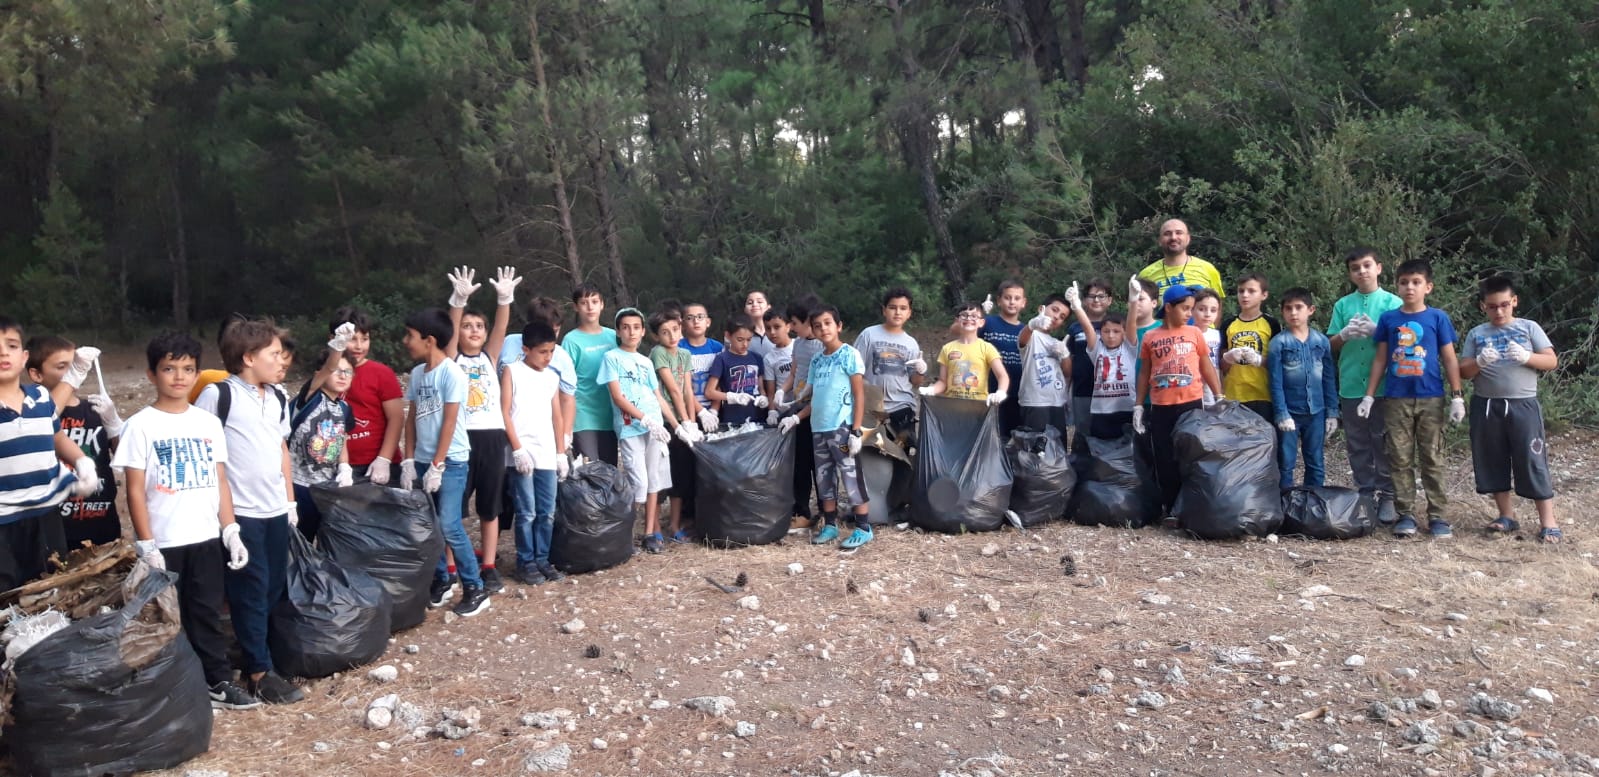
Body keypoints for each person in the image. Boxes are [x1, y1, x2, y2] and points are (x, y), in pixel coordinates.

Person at [113, 332, 260, 710]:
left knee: (207, 612)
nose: (179, 377)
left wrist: (230, 530)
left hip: (204, 536)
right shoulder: (141, 425)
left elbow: (220, 480)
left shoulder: (207, 424)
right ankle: (171, 688)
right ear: (152, 374)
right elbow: (134, 490)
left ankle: (218, 681)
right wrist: (146, 543)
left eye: (188, 369)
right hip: (164, 541)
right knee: (164, 619)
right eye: (169, 369)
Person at [192, 317, 303, 704]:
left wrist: (289, 500)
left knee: (274, 586)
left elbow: (280, 449)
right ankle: (257, 671)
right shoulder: (219, 395)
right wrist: (226, 522)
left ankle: (266, 656)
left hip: (274, 508)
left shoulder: (278, 398)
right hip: (242, 513)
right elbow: (209, 458)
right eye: (273, 354)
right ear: (248, 357)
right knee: (250, 591)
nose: (281, 360)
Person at [1358, 259, 1465, 539]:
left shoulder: (1437, 318)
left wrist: (1457, 396)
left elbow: (1450, 358)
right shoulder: (1390, 319)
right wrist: (1369, 395)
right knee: (1400, 458)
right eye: (1404, 282)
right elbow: (1381, 358)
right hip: (1396, 399)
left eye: (1416, 282)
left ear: (1428, 287)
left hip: (1430, 397)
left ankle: (1438, 517)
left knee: (1433, 458)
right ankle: (1405, 514)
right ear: (1397, 285)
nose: (1409, 287)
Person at [400, 308, 491, 617]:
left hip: (451, 462)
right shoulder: (416, 374)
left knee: (449, 524)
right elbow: (411, 419)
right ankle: (443, 578)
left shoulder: (451, 373)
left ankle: (476, 587)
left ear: (429, 340)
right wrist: (410, 459)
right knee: (429, 525)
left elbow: (450, 422)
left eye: (410, 336)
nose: (405, 341)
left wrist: (438, 464)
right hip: (424, 461)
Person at [1459, 276, 1562, 543]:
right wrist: (1480, 361)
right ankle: (1506, 515)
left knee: (1532, 459)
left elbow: (1551, 361)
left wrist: (1528, 357)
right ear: (1483, 306)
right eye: (1493, 306)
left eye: (1505, 304)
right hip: (1487, 404)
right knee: (1493, 458)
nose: (1499, 311)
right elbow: (1464, 371)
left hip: (1522, 404)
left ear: (1514, 301)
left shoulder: (1529, 328)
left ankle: (1548, 521)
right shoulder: (1477, 333)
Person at [0, 316, 99, 590]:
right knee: (7, 594)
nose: (2, 352)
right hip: (3, 519)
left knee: (51, 585)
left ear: (24, 357)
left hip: (46, 514)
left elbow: (55, 435)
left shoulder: (41, 398)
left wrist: (83, 461)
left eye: (11, 345)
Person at [444, 266, 521, 594]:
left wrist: (504, 300)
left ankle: (488, 566)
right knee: (454, 509)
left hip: (492, 437)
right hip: (461, 440)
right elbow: (448, 333)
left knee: (490, 507)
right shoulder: (451, 359)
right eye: (467, 326)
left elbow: (501, 329)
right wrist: (458, 300)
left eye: (479, 326)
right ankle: (450, 568)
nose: (473, 330)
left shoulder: (491, 357)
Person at [779, 305, 873, 551]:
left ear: (838, 326)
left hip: (841, 428)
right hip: (818, 430)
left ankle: (863, 527)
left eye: (828, 323)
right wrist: (796, 417)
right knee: (824, 479)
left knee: (851, 477)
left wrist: (855, 430)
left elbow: (858, 394)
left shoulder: (849, 354)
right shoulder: (818, 360)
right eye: (817, 325)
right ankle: (830, 524)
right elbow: (813, 398)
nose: (823, 329)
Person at [1132, 286, 1223, 517]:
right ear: (1169, 307)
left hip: (1191, 404)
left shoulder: (1194, 333)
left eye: (1191, 309)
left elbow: (1205, 365)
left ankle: (1193, 506)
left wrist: (1219, 395)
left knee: (1191, 454)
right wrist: (1139, 405)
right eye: (1184, 308)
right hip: (1161, 406)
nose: (1188, 313)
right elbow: (1144, 372)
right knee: (1165, 457)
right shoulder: (1151, 337)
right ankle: (1171, 507)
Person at [598, 308, 683, 554]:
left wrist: (677, 425)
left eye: (636, 327)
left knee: (654, 479)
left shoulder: (645, 362)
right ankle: (622, 533)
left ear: (643, 331)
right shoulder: (611, 358)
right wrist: (643, 419)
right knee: (638, 481)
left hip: (655, 426)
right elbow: (617, 396)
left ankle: (649, 534)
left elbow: (657, 395)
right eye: (625, 327)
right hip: (631, 427)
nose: (631, 331)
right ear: (618, 331)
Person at [1328, 248, 1401, 524]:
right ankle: (1365, 493)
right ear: (1350, 274)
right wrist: (1344, 335)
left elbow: (1404, 343)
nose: (1362, 271)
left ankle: (1388, 495)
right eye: (1356, 267)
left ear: (1379, 268)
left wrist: (1378, 332)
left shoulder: (1393, 303)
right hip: (1350, 385)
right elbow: (1330, 345)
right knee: (1357, 443)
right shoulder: (1343, 305)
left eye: (1367, 265)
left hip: (1383, 386)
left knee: (1384, 441)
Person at [27, 335, 121, 548]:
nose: (75, 374)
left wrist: (114, 424)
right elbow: (44, 421)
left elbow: (125, 459)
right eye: (63, 367)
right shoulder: (31, 414)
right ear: (36, 374)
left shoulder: (96, 410)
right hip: (56, 529)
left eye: (76, 366)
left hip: (102, 522)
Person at [501, 321, 570, 584]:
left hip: (546, 453)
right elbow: (505, 411)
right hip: (523, 452)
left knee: (547, 511)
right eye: (542, 352)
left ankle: (543, 558)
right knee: (526, 511)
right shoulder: (512, 371)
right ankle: (525, 561)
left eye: (551, 351)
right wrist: (517, 449)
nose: (548, 357)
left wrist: (560, 452)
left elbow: (556, 416)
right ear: (526, 349)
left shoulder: (551, 377)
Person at [1267, 288, 1338, 490]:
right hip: (1290, 411)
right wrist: (1281, 413)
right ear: (1282, 312)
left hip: (1316, 411)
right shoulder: (1278, 343)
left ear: (1311, 310)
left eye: (1299, 307)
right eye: (1288, 308)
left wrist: (1332, 412)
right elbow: (1275, 381)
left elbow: (1328, 378)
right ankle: (1286, 504)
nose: (1294, 313)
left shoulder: (1321, 341)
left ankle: (1313, 503)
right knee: (1286, 461)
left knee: (1315, 460)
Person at [285, 347, 354, 541]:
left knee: (317, 539)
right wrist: (337, 349)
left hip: (326, 487)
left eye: (348, 371)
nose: (342, 376)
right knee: (295, 541)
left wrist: (344, 466)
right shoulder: (309, 398)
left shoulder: (344, 408)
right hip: (298, 484)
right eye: (336, 370)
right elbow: (321, 376)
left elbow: (342, 438)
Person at [331, 307, 405, 485]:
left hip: (377, 464)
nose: (359, 346)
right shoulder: (326, 374)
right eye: (352, 339)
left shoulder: (381, 373)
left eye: (364, 339)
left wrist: (384, 459)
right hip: (341, 465)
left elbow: (396, 418)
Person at [650, 308, 701, 543]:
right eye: (664, 332)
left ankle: (675, 524)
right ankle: (654, 527)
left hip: (683, 421)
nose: (672, 336)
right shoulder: (658, 353)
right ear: (656, 336)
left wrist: (692, 422)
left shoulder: (684, 354)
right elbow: (671, 390)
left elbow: (688, 390)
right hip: (665, 420)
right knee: (661, 474)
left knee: (680, 473)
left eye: (675, 329)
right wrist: (682, 422)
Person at [1016, 287, 1089, 438]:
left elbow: (1067, 373)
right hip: (1035, 403)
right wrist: (1032, 324)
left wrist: (1065, 354)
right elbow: (1022, 340)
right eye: (1054, 310)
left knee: (1057, 450)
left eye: (1062, 316)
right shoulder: (1032, 335)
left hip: (1057, 402)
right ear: (1042, 309)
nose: (1057, 317)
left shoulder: (1057, 342)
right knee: (1037, 450)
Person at [853, 288, 924, 439]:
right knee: (872, 453)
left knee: (901, 456)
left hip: (902, 407)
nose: (897, 312)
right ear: (884, 310)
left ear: (909, 313)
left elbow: (915, 381)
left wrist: (920, 371)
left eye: (903, 308)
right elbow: (854, 369)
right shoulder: (868, 335)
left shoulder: (911, 344)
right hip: (871, 407)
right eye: (893, 307)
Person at [564, 284, 621, 466]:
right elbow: (565, 385)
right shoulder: (571, 340)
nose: (590, 307)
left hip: (610, 415)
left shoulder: (614, 336)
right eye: (584, 303)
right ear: (576, 307)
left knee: (609, 471)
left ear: (602, 304)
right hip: (583, 416)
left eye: (594, 302)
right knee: (589, 471)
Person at [781, 295, 822, 530]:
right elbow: (793, 373)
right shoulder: (798, 343)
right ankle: (802, 510)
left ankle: (828, 511)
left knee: (821, 465)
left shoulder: (821, 345)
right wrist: (782, 392)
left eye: (794, 323)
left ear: (808, 321)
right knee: (800, 463)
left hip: (816, 411)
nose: (792, 328)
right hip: (798, 406)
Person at [921, 302, 1009, 405]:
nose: (968, 318)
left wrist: (1001, 392)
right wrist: (931, 390)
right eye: (964, 315)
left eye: (974, 316)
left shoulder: (987, 348)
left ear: (981, 322)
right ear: (957, 320)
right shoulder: (947, 348)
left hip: (978, 408)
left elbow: (1002, 376)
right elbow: (942, 382)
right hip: (951, 408)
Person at [1220, 273, 1278, 423]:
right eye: (1241, 291)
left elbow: (1278, 363)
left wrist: (1258, 359)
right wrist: (1229, 358)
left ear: (1264, 295)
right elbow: (1221, 366)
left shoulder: (1271, 323)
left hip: (1263, 394)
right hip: (1233, 394)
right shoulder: (1228, 324)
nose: (1245, 295)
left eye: (1251, 291)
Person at [1066, 279, 1113, 445]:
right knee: (1083, 434)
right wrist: (1066, 391)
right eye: (1091, 296)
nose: (1096, 300)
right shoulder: (1074, 328)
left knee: (1108, 433)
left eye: (1101, 296)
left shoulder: (1115, 325)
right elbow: (1069, 360)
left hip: (1111, 391)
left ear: (1109, 300)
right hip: (1082, 390)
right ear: (1084, 300)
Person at [977, 280, 1027, 434]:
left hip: (1017, 392)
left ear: (1023, 303)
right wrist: (979, 315)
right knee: (988, 433)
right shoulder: (987, 322)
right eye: (1007, 297)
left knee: (1012, 436)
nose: (1012, 302)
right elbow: (962, 334)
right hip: (988, 390)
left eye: (1017, 298)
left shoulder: (1026, 330)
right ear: (999, 300)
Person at [705, 313, 768, 429]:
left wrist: (763, 398)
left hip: (757, 419)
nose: (745, 344)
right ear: (728, 335)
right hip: (732, 420)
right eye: (740, 339)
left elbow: (761, 388)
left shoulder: (756, 358)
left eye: (749, 340)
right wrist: (732, 397)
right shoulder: (722, 359)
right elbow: (709, 391)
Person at [1136, 218, 1225, 298]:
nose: (1173, 237)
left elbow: (1217, 307)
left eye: (1179, 233)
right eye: (1167, 234)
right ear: (1159, 240)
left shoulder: (1208, 269)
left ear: (1188, 239)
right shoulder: (1146, 276)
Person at [1086, 312, 1134, 439]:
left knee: (1129, 453)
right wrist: (1076, 306)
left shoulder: (1130, 349)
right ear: (1100, 333)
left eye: (1116, 331)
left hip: (1127, 408)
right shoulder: (1097, 350)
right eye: (1106, 331)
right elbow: (1087, 328)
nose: (1111, 335)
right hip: (1101, 411)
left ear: (1124, 333)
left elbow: (1132, 322)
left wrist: (1133, 301)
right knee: (1101, 453)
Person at [680, 302, 725, 433]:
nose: (696, 321)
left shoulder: (717, 348)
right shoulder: (678, 349)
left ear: (708, 322)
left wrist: (714, 411)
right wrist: (701, 412)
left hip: (714, 414)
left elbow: (720, 381)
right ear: (682, 324)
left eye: (700, 317)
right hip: (687, 414)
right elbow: (681, 386)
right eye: (690, 318)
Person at [1191, 288, 1223, 406]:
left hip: (1214, 392)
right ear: (1192, 309)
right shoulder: (1187, 334)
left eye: (1213, 310)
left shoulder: (1218, 335)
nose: (1207, 314)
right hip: (1194, 392)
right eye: (1201, 309)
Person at [761, 309, 794, 419]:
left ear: (788, 326)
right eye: (768, 328)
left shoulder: (799, 345)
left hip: (805, 405)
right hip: (784, 409)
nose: (772, 332)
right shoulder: (769, 358)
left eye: (777, 327)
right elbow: (770, 391)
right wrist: (772, 411)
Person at [744, 290, 774, 359]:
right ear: (745, 309)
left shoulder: (777, 332)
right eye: (750, 303)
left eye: (759, 302)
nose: (754, 304)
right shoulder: (740, 335)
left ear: (768, 307)